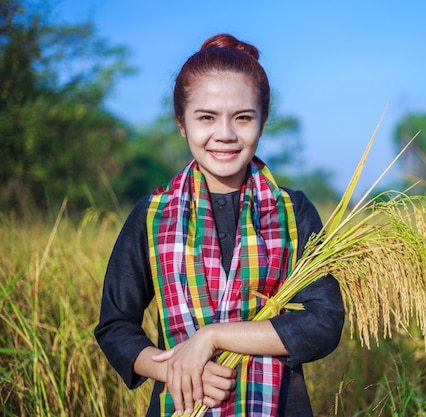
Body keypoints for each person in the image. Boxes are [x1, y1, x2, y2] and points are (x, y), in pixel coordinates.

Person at [94, 33, 345, 417]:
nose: (225, 134)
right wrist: (179, 368)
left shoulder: (293, 211)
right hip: (180, 406)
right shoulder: (152, 214)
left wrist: (212, 338)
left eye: (242, 117)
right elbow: (115, 325)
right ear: (181, 123)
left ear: (262, 122)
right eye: (206, 117)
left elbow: (323, 323)